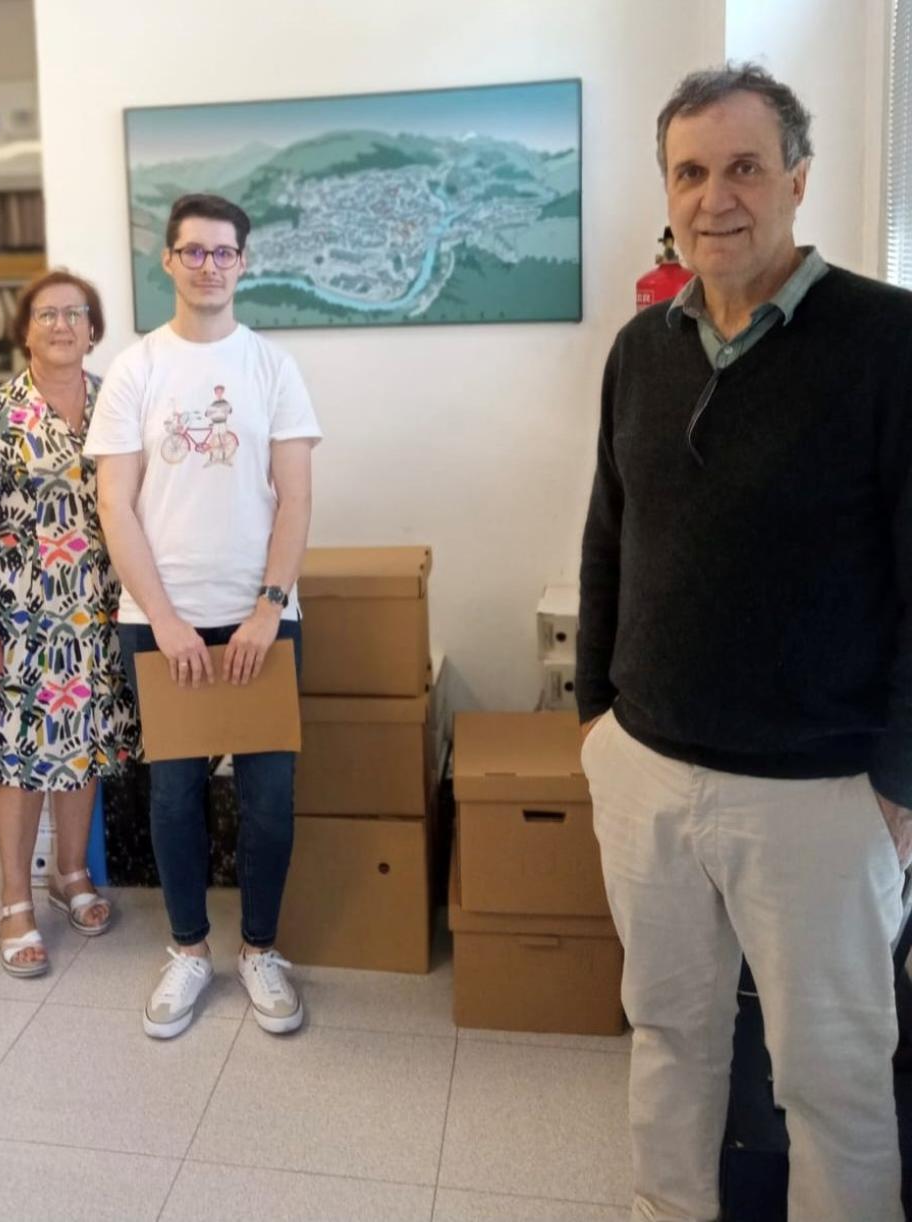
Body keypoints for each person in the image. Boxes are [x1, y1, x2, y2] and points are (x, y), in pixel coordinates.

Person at [577, 63, 912, 1221]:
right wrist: (596, 724)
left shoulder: (889, 341)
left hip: (820, 794)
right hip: (650, 774)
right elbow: (608, 534)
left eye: (744, 168)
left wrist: (900, 785)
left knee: (831, 1083)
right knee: (670, 1039)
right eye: (691, 172)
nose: (716, 196)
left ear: (797, 181)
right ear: (667, 193)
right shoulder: (642, 347)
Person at [87, 193, 321, 1039]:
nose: (209, 265)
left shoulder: (272, 368)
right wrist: (167, 620)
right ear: (169, 260)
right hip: (161, 623)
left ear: (243, 263)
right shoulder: (136, 370)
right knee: (175, 795)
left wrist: (266, 609)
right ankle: (189, 950)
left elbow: (294, 497)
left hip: (261, 618)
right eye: (194, 252)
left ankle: (260, 949)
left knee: (268, 798)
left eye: (224, 253)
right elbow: (117, 505)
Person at [0, 269, 139, 976]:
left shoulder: (115, 405)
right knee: (22, 760)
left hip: (98, 613)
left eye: (77, 313)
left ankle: (69, 874)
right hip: (20, 619)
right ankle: (13, 899)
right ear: (24, 330)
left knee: (84, 749)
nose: (63, 325)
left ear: (93, 328)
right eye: (47, 314)